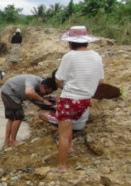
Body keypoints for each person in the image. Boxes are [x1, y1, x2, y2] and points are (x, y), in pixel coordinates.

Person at [53, 26, 104, 173]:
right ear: (86, 41)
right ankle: (69, 147)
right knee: (69, 126)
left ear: (70, 42)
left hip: (69, 99)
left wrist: (66, 87)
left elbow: (58, 79)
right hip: (85, 100)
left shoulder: (70, 56)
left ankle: (62, 166)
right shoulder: (97, 56)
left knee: (63, 133)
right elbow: (100, 80)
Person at [1, 74, 58, 147]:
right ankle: (13, 141)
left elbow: (34, 98)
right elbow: (29, 92)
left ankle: (7, 141)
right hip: (9, 93)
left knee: (12, 118)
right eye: (46, 92)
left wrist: (50, 104)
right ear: (42, 87)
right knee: (18, 117)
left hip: (8, 92)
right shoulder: (33, 80)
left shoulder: (40, 86)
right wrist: (43, 100)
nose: (46, 94)